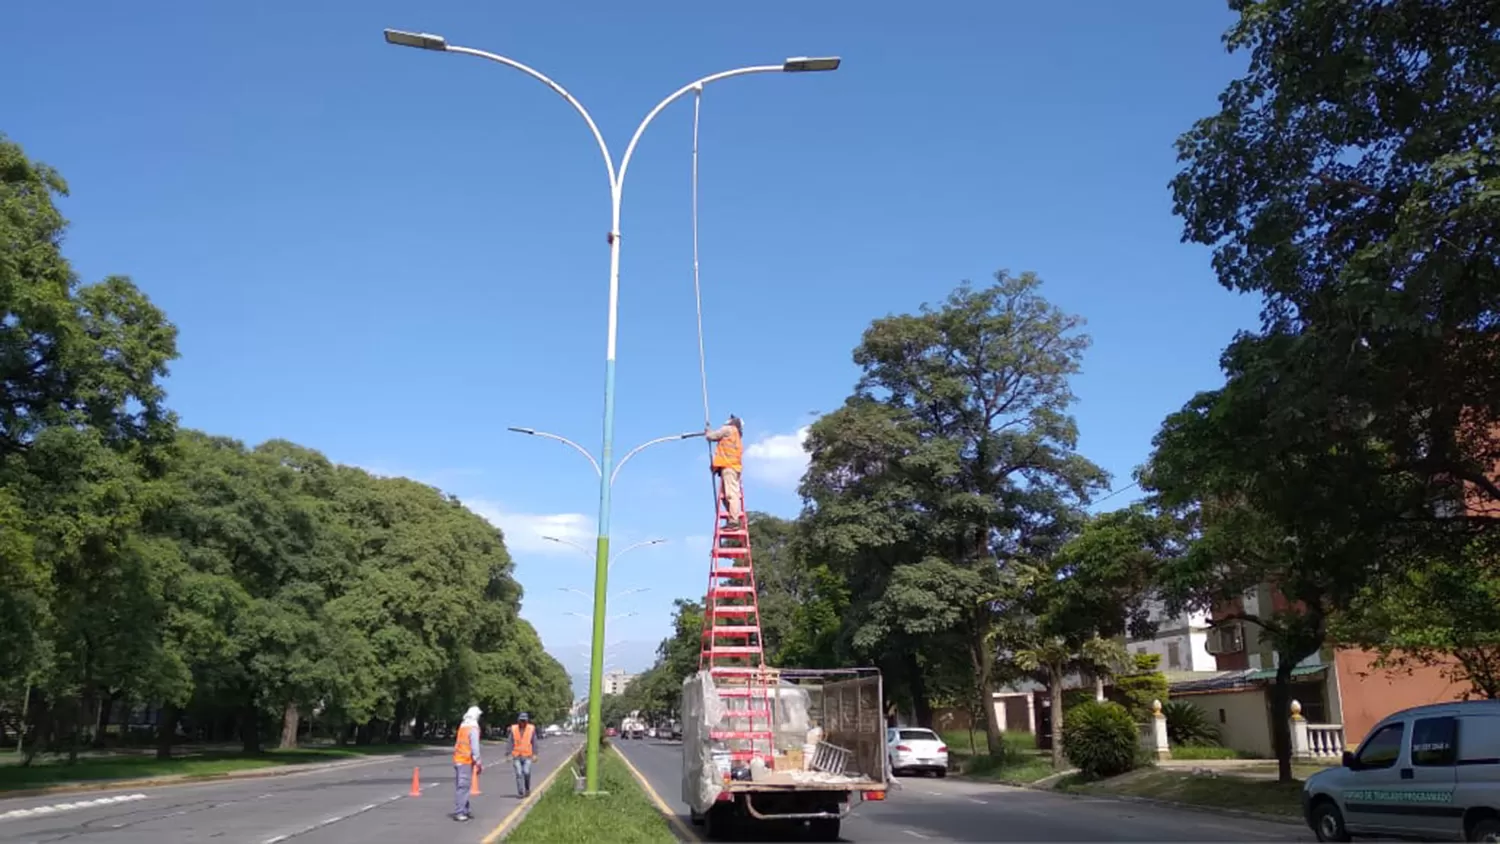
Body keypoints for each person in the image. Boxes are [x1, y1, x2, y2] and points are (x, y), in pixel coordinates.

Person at [705, 415, 745, 529]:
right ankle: (733, 518)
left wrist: (708, 431)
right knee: (727, 496)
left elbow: (712, 436)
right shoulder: (736, 434)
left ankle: (734, 521)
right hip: (731, 467)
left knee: (731, 495)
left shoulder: (729, 429)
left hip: (729, 467)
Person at [452, 705, 483, 822]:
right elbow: (475, 747)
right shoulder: (473, 728)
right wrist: (478, 762)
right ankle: (459, 812)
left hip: (458, 759)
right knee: (463, 787)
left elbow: (457, 744)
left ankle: (465, 809)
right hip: (465, 760)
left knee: (461, 786)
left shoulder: (463, 726)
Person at [508, 712, 538, 797]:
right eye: (521, 720)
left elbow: (534, 742)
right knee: (518, 773)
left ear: (527, 721)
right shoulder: (514, 729)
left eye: (524, 721)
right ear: (518, 721)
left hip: (527, 755)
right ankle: (520, 791)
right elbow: (510, 742)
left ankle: (527, 789)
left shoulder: (531, 729)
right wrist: (508, 753)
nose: (523, 722)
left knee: (526, 772)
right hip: (517, 755)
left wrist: (535, 754)